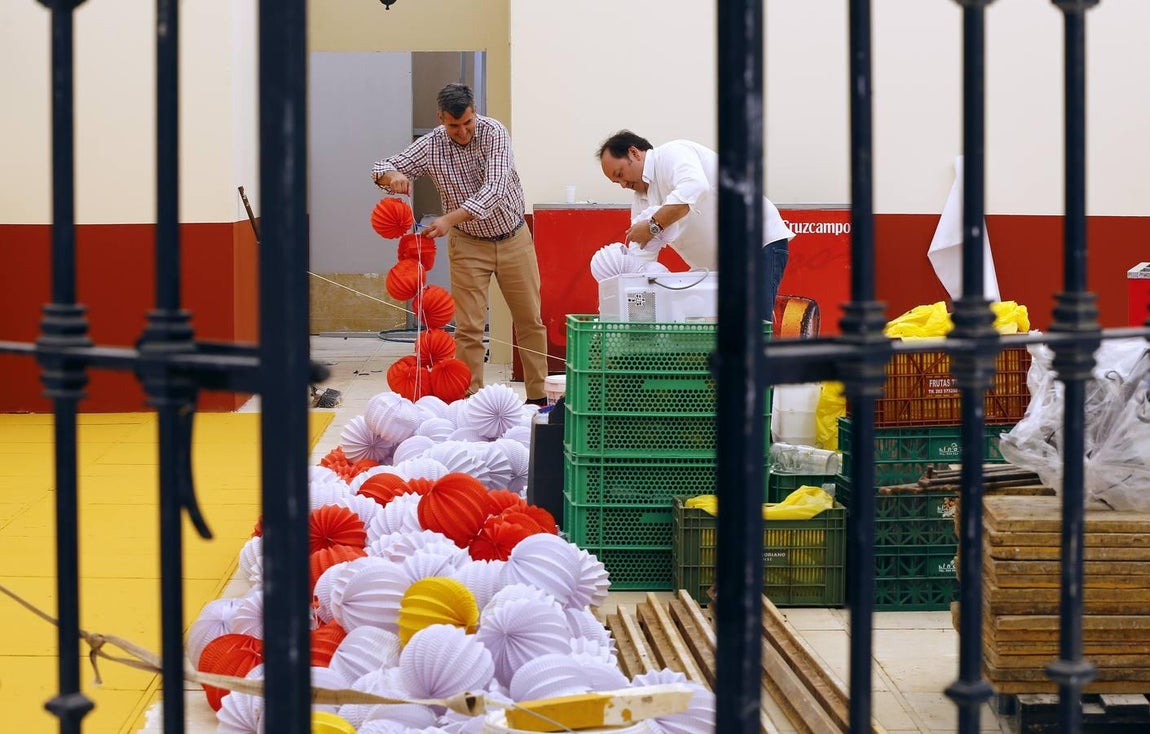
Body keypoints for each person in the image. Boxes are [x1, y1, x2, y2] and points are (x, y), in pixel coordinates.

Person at [373, 83, 549, 405]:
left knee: (529, 322)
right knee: (468, 328)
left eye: (467, 122)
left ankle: (538, 398)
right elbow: (381, 167)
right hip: (468, 246)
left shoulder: (494, 133)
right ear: (440, 118)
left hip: (514, 239)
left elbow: (495, 190)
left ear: (475, 111)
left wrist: (447, 220)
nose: (463, 131)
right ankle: (471, 401)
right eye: (454, 125)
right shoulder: (430, 146)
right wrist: (393, 178)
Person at [597, 130, 795, 320]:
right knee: (720, 332)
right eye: (616, 182)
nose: (623, 184)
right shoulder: (640, 202)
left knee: (755, 325)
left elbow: (694, 186)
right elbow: (640, 262)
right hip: (716, 270)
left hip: (757, 243)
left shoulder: (672, 153)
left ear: (634, 153)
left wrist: (652, 225)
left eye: (620, 173)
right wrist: (620, 303)